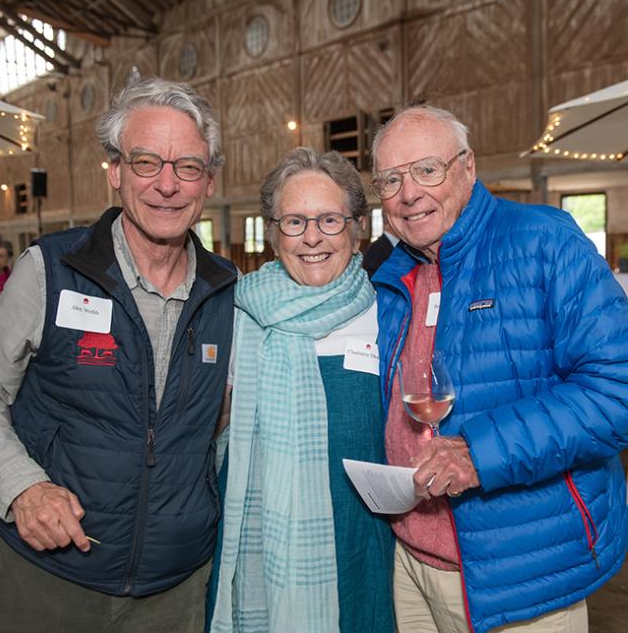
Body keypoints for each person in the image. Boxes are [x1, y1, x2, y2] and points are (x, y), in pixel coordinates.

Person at [0, 77, 237, 632]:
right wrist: (21, 486)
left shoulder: (228, 293)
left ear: (209, 182)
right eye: (147, 162)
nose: (167, 185)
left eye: (188, 167)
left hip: (175, 593)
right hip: (47, 578)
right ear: (117, 172)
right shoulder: (50, 269)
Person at [369, 105, 628, 633]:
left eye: (426, 170)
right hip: (411, 563)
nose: (409, 193)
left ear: (466, 167)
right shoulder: (393, 275)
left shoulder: (544, 240)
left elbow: (615, 392)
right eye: (390, 179)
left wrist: (477, 452)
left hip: (520, 572)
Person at [210, 148, 395, 633]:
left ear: (356, 231)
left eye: (329, 220)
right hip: (265, 539)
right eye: (294, 221)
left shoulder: (388, 314)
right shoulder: (238, 316)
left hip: (364, 538)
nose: (312, 237)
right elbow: (211, 423)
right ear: (273, 235)